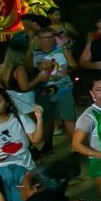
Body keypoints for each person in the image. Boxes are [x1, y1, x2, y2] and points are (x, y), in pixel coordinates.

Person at [28, 26, 76, 154]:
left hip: (64, 88)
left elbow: (74, 65)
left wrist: (68, 71)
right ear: (39, 40)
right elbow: (29, 71)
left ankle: (78, 146)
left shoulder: (62, 50)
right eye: (45, 38)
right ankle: (47, 145)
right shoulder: (34, 54)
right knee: (47, 119)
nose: (49, 40)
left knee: (68, 117)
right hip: (45, 90)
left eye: (51, 37)